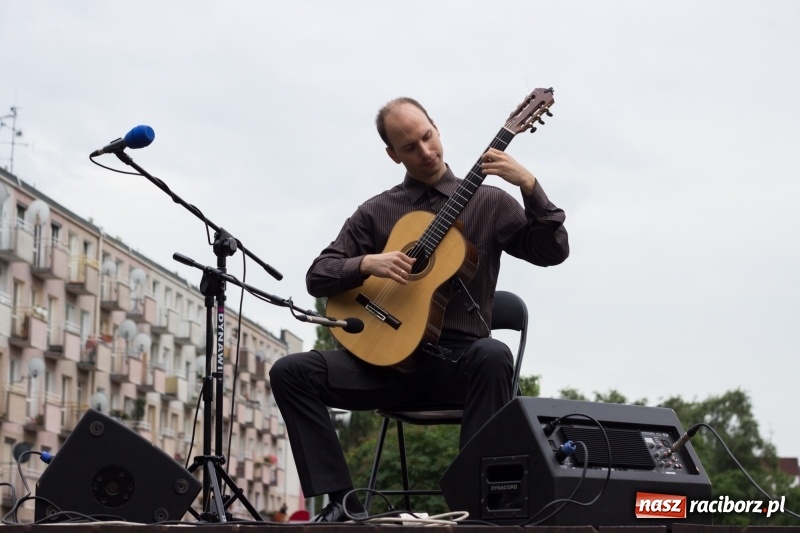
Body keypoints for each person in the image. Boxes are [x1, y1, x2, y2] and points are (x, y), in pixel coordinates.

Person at [270, 96, 569, 522]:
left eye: (427, 137)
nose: (425, 152)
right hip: (384, 367)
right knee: (290, 372)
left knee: (493, 354)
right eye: (410, 146)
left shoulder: (489, 203)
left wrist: (529, 186)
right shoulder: (377, 211)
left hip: (459, 367)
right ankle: (343, 505)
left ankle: (478, 508)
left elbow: (553, 251)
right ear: (393, 154)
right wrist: (366, 263)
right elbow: (318, 275)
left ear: (437, 128)